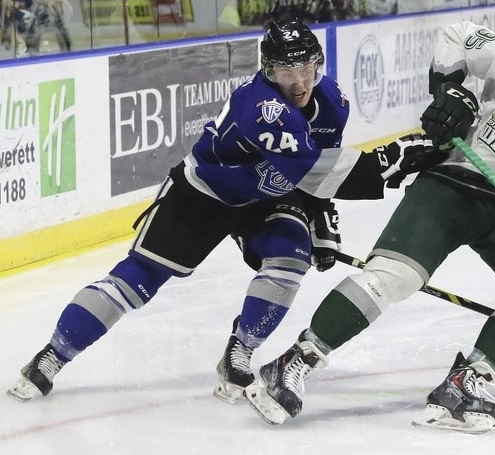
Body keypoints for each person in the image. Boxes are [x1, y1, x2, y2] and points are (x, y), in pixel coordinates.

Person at [7, 18, 444, 403]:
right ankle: (53, 355)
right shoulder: (263, 109)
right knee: (138, 280)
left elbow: (317, 175)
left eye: (306, 70)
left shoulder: (333, 102)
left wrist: (319, 216)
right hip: (205, 194)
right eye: (286, 72)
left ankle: (241, 351)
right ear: (268, 71)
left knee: (290, 260)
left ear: (319, 65)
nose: (298, 83)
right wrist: (390, 160)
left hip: (266, 199)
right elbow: (317, 168)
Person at [243, 22, 495, 433]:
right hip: (451, 177)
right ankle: (295, 361)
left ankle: (464, 383)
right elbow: (458, 36)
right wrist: (449, 89)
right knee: (394, 277)